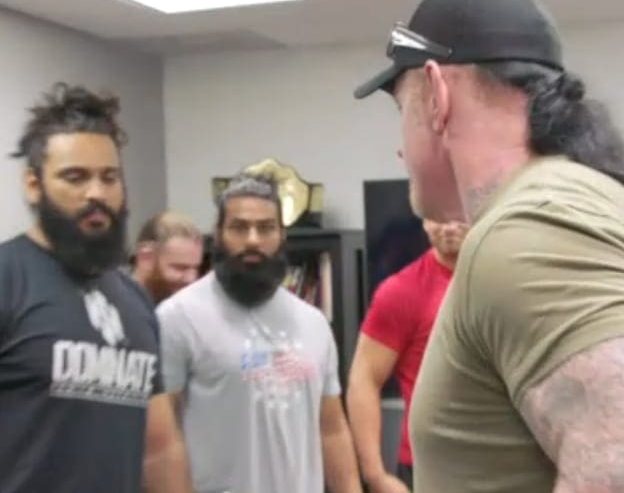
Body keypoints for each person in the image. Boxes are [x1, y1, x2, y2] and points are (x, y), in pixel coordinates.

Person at [354, 0, 624, 492]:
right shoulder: (566, 204)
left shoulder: (535, 228)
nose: (398, 148)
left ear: (436, 95)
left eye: (402, 109)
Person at [0, 82, 191, 492]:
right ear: (33, 185)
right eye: (75, 177)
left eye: (109, 177)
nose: (97, 194)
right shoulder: (8, 278)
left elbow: (159, 450)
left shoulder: (134, 300)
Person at [157, 171, 362, 493]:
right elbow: (160, 443)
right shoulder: (177, 318)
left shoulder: (313, 323)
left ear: (281, 236)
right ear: (218, 235)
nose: (253, 240)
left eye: (265, 228)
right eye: (239, 227)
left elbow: (332, 430)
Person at [347, 219, 467, 492]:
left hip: (506, 463)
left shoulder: (507, 281)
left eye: (458, 215)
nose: (449, 227)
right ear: (424, 221)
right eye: (438, 216)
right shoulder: (402, 291)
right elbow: (364, 378)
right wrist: (375, 475)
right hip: (429, 468)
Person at [131, 210, 204, 304]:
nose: (191, 278)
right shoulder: (117, 308)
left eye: (196, 268)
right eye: (180, 268)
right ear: (146, 258)